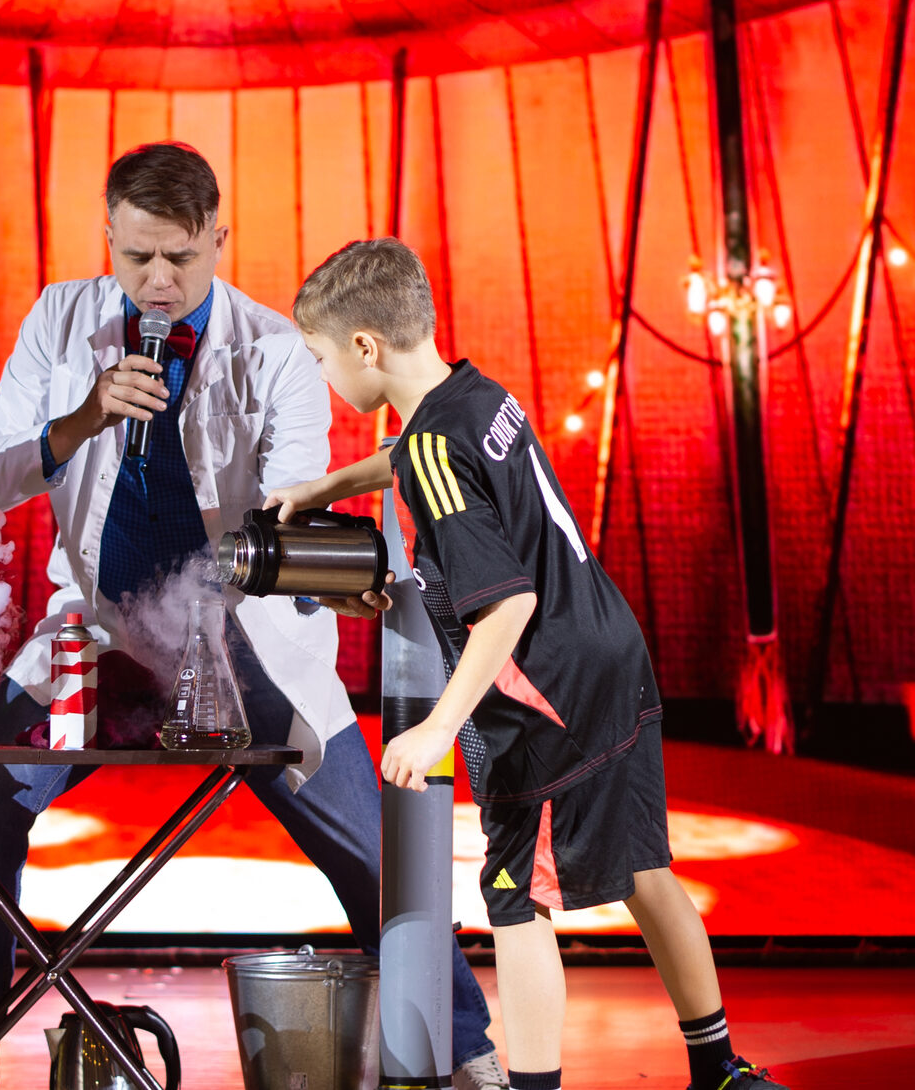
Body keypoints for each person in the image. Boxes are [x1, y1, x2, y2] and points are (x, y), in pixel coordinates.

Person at [0, 143, 506, 1090]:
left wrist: (306, 573)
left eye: (181, 258)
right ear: (106, 239)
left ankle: (465, 1052)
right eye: (136, 257)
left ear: (220, 241)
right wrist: (79, 422)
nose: (157, 280)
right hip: (98, 635)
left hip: (242, 643)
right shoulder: (58, 320)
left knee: (371, 852)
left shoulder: (274, 350)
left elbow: (292, 500)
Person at [271, 236, 786, 1090]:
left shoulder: (432, 453)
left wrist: (437, 727)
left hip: (548, 697)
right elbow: (414, 456)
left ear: (364, 346)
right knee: (644, 869)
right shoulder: (479, 395)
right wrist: (326, 489)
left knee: (515, 899)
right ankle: (721, 1070)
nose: (324, 376)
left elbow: (506, 604)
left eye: (321, 358)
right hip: (612, 655)